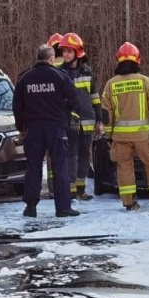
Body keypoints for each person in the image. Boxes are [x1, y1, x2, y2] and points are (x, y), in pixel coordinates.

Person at [98, 42, 149, 210]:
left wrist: (108, 137)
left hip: (120, 138)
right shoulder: (145, 82)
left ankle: (129, 203)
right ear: (138, 60)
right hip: (143, 136)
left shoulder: (110, 85)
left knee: (124, 168)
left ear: (118, 60)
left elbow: (106, 117)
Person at [13, 44, 80, 218]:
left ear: (38, 57)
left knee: (33, 168)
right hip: (57, 128)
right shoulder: (60, 76)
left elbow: (17, 107)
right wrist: (65, 113)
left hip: (33, 130)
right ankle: (63, 208)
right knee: (60, 168)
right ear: (51, 58)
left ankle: (30, 207)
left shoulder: (24, 78)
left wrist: (21, 128)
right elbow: (74, 100)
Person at [59, 31, 99, 200]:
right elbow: (59, 99)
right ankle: (71, 190)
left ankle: (81, 189)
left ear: (77, 52)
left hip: (88, 121)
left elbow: (95, 97)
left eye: (69, 51)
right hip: (70, 122)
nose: (65, 54)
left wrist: (100, 120)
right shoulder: (60, 72)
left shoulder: (88, 72)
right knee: (71, 155)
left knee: (85, 155)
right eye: (64, 51)